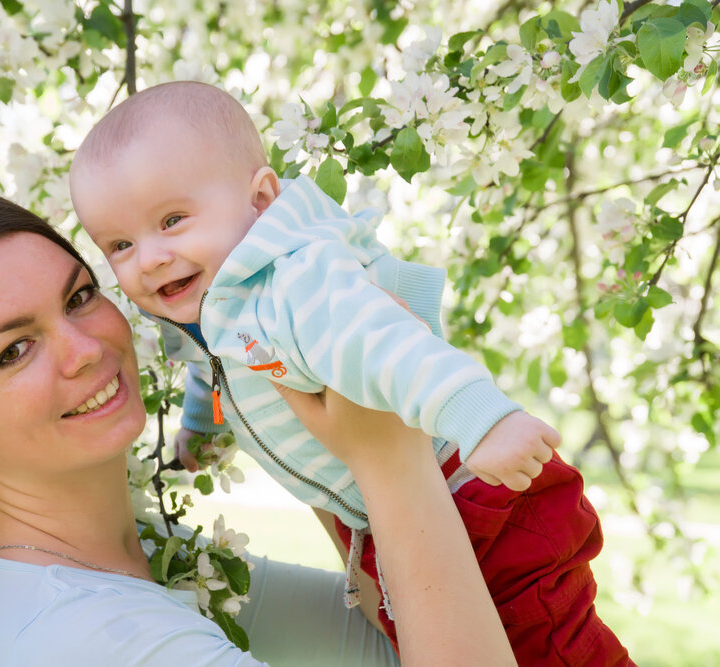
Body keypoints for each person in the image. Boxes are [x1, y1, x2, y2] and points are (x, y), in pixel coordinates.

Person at [0, 190, 514, 666]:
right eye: (14, 350)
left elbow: (408, 640)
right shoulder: (84, 638)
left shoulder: (158, 569)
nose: (87, 348)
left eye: (76, 297)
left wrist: (306, 381)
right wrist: (390, 455)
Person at [69, 81, 633, 665]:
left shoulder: (301, 279)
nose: (150, 257)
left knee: (552, 647)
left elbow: (385, 340)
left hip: (474, 501)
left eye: (173, 219)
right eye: (120, 245)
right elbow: (210, 363)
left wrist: (482, 419)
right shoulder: (213, 301)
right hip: (400, 515)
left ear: (260, 200)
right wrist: (200, 429)